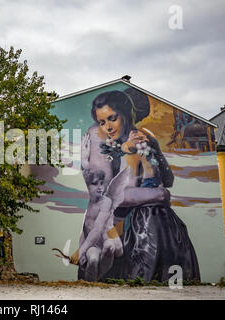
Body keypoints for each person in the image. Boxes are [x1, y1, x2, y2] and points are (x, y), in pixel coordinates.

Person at [72, 88, 200, 282]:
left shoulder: (140, 137)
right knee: (152, 216)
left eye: (112, 118)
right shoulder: (98, 137)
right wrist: (158, 195)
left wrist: (155, 149)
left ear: (126, 114)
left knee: (156, 216)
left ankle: (163, 281)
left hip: (147, 219)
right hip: (114, 226)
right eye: (102, 121)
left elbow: (168, 180)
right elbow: (107, 197)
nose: (107, 126)